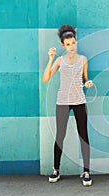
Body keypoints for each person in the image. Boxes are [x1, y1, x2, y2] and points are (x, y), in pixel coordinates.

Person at [43, 24, 93, 186]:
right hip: (63, 102)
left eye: (73, 43)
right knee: (60, 136)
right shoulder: (59, 60)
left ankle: (86, 172)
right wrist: (50, 59)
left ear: (76, 42)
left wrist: (88, 83)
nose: (71, 47)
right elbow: (46, 79)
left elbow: (85, 79)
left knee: (83, 135)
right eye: (68, 44)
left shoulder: (83, 60)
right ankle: (56, 170)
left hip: (79, 101)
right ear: (63, 46)